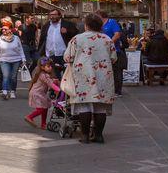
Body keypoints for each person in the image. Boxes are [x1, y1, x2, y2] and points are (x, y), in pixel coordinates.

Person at [62, 13, 117, 144]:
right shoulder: (107, 39)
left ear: (86, 25)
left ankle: (85, 136)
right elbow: (114, 58)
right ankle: (98, 135)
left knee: (84, 105)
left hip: (82, 75)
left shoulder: (77, 39)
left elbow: (67, 57)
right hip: (103, 76)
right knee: (100, 106)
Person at [0, 23, 26, 99]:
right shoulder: (0, 39)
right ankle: (5, 91)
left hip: (16, 60)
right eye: (2, 29)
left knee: (13, 77)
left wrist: (23, 59)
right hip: (4, 60)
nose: (3, 30)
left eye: (5, 29)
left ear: (10, 30)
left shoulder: (16, 38)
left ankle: (12, 91)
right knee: (5, 76)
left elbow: (20, 49)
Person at [38, 8, 78, 77]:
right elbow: (42, 39)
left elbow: (76, 34)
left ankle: (64, 88)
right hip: (51, 56)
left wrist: (67, 32)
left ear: (59, 15)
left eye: (54, 15)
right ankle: (57, 87)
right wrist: (41, 53)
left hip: (64, 55)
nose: (52, 17)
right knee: (54, 77)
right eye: (50, 15)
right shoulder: (46, 26)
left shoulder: (67, 24)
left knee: (67, 77)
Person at [100, 10, 127, 97]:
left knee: (116, 72)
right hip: (103, 52)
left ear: (101, 16)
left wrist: (109, 43)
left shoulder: (112, 22)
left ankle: (117, 91)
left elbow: (117, 34)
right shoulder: (99, 25)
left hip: (115, 51)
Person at [25, 57, 57, 130]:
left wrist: (54, 81)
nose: (51, 68)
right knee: (41, 109)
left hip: (40, 94)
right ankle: (29, 117)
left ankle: (43, 124)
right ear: (42, 67)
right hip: (37, 94)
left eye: (51, 66)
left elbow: (50, 81)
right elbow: (50, 83)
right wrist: (59, 89)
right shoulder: (43, 75)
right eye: (48, 66)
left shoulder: (42, 74)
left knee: (44, 108)